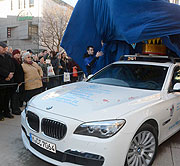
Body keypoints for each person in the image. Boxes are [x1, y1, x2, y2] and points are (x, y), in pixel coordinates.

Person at [0, 42, 15, 121]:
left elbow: (12, 66)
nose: (5, 49)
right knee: (1, 99)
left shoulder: (8, 56)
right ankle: (0, 113)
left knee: (7, 98)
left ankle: (7, 112)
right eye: (3, 47)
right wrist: (6, 75)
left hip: (9, 81)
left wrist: (11, 74)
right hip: (2, 81)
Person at [10, 49, 24, 115]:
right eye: (16, 54)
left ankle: (16, 107)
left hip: (19, 81)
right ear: (13, 54)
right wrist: (18, 81)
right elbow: (15, 72)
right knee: (14, 96)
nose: (18, 54)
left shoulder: (18, 61)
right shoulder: (13, 61)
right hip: (15, 81)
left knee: (17, 96)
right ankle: (14, 109)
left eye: (19, 53)